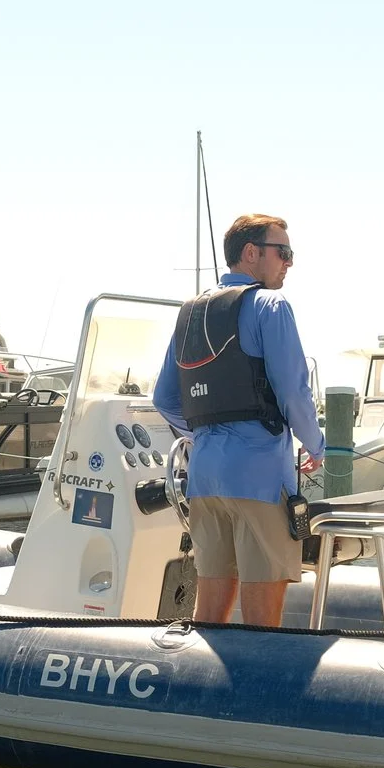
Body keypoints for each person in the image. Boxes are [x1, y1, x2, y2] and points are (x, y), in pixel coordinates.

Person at [155, 213, 326, 626]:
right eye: (283, 252)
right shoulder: (271, 305)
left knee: (209, 615)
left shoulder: (190, 313)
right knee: (261, 623)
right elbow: (293, 391)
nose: (289, 262)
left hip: (205, 482)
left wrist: (210, 433)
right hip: (260, 480)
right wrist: (316, 445)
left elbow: (164, 399)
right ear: (251, 253)